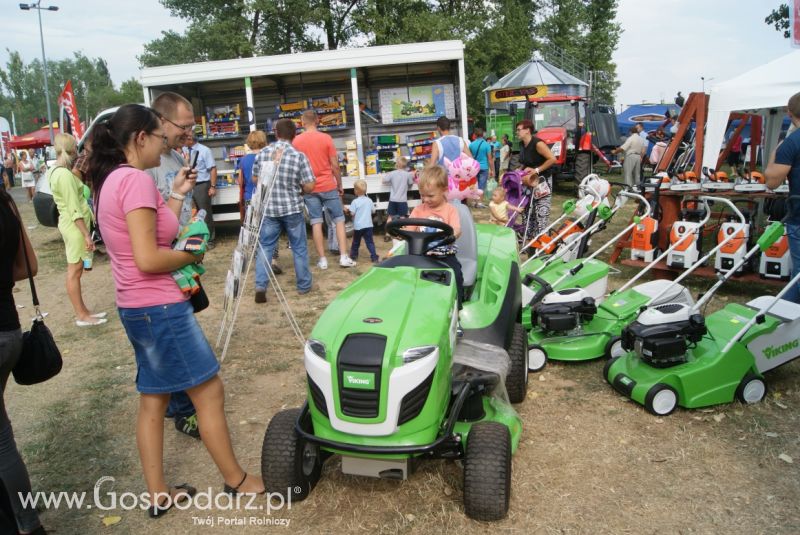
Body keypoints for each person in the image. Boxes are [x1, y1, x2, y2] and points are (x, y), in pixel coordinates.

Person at [85, 104, 265, 515]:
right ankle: (237, 479)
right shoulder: (134, 180)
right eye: (162, 139)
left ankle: (158, 492)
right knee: (208, 390)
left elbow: (145, 238)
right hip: (160, 306)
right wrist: (189, 254)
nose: (166, 148)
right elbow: (149, 258)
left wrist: (178, 195)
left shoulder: (112, 180)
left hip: (135, 307)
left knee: (154, 399)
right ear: (141, 138)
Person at [148, 91, 202, 439]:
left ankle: (172, 403)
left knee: (170, 338)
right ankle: (183, 409)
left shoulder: (173, 155)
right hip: (163, 264)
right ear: (162, 121)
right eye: (184, 125)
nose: (189, 131)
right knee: (174, 340)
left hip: (178, 259)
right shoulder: (146, 163)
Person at [0, 188, 45, 534]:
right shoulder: (5, 200)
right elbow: (28, 265)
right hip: (8, 332)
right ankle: (25, 519)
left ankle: (24, 522)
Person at [252, 118, 316, 303]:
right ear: (294, 135)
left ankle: (261, 285)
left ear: (276, 133)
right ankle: (303, 285)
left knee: (265, 247)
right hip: (292, 208)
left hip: (269, 209)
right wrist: (298, 187)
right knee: (299, 247)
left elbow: (255, 180)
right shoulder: (299, 156)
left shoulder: (263, 153)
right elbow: (310, 186)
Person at [48, 133, 107, 327]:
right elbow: (73, 208)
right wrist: (85, 234)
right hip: (74, 227)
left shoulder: (57, 171)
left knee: (77, 269)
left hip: (73, 225)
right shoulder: (64, 175)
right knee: (74, 270)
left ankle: (83, 311)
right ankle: (81, 315)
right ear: (73, 149)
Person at [292, 110, 355, 269]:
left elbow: (296, 167)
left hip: (309, 187)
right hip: (328, 185)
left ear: (302, 122)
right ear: (317, 121)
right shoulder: (326, 138)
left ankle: (323, 259)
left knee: (316, 222)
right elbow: (334, 165)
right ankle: (343, 256)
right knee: (339, 220)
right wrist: (339, 184)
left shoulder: (296, 141)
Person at [409, 165, 463, 306]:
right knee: (408, 277)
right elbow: (409, 228)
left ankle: (457, 308)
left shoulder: (450, 210)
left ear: (444, 190)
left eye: (430, 196)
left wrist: (454, 234)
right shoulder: (418, 210)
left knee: (456, 275)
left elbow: (456, 229)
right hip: (421, 255)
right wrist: (399, 232)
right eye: (422, 195)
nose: (426, 199)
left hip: (445, 255)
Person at [766, 91, 800, 303]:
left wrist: (776, 149)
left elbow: (771, 181)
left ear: (789, 113)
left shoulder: (792, 142)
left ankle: (783, 313)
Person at [238, 130, 282, 274]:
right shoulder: (268, 156)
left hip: (250, 197)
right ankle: (273, 260)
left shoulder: (244, 160)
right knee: (271, 228)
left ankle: (259, 259)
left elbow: (241, 181)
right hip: (267, 197)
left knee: (254, 230)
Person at [515, 119, 557, 246]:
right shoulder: (522, 144)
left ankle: (543, 245)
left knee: (541, 214)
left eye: (519, 129)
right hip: (528, 183)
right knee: (527, 213)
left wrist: (536, 170)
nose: (517, 132)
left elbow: (552, 159)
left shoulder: (538, 144)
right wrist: (520, 169)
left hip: (542, 182)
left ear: (527, 130)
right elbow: (526, 162)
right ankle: (530, 243)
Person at [184, 134, 217, 247]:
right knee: (189, 213)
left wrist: (212, 186)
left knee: (205, 212)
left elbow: (212, 168)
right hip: (186, 185)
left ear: (190, 139)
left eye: (185, 138)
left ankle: (210, 240)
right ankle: (195, 238)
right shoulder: (182, 150)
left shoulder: (204, 150)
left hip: (201, 185)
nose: (183, 140)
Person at [382, 156, 415, 241]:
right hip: (402, 200)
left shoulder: (392, 173)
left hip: (392, 199)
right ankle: (402, 234)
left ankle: (387, 234)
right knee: (402, 218)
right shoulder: (407, 174)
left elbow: (384, 180)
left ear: (396, 164)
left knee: (390, 216)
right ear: (405, 165)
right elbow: (411, 183)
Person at [348, 179, 379, 263]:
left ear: (356, 191)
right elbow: (373, 211)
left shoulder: (355, 202)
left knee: (356, 242)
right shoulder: (369, 200)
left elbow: (352, 213)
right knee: (370, 242)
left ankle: (353, 256)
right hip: (368, 225)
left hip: (358, 226)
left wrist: (349, 212)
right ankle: (374, 257)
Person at [468, 127, 494, 203]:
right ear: (483, 135)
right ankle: (479, 202)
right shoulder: (487, 145)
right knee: (481, 186)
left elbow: (470, 157)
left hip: (474, 168)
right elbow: (490, 159)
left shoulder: (471, 145)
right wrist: (492, 170)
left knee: (474, 184)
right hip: (484, 167)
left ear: (475, 135)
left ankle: (474, 201)